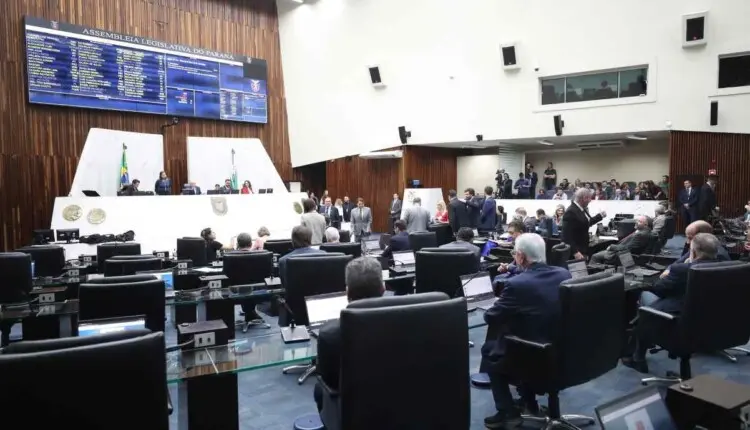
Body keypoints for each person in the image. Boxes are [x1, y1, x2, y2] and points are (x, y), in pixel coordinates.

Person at [482, 233, 572, 427]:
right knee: (521, 333)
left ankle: (507, 411)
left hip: (537, 353)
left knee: (490, 350)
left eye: (515, 254)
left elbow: (491, 317)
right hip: (565, 351)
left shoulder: (517, 284)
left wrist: (497, 304)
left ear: (521, 257)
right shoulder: (563, 274)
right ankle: (528, 401)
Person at [622, 233, 724, 374]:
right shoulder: (727, 267)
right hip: (712, 321)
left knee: (645, 309)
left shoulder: (683, 269)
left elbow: (660, 289)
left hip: (680, 322)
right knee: (653, 307)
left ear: (694, 252)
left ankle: (637, 358)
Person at [313, 257, 385, 412]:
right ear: (383, 288)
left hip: (355, 413)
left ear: (347, 292)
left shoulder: (329, 335)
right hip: (402, 404)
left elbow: (330, 381)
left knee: (319, 389)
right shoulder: (411, 321)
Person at [562, 188, 606, 260]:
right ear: (584, 198)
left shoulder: (581, 209)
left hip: (583, 249)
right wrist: (575, 252)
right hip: (576, 252)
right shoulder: (571, 212)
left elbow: (586, 223)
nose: (590, 200)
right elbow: (566, 236)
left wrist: (600, 216)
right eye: (589, 198)